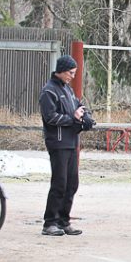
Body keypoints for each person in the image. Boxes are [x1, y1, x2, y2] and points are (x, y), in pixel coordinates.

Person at [39, 55, 95, 237]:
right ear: (61, 71)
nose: (72, 76)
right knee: (59, 183)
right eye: (70, 73)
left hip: (71, 142)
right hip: (58, 143)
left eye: (74, 73)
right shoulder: (49, 91)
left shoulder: (68, 90)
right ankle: (50, 222)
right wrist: (73, 118)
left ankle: (64, 220)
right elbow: (50, 117)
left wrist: (86, 119)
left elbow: (80, 107)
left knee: (72, 183)